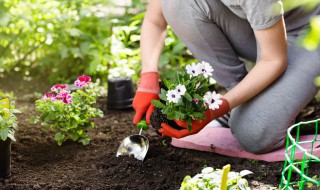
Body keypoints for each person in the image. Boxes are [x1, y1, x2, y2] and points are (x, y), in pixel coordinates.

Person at [132, 0, 320, 154]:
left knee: (254, 135)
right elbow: (155, 20)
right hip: (266, 29)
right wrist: (148, 78)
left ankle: (258, 107)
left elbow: (273, 60)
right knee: (178, 4)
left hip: (311, 33)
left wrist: (214, 110)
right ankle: (243, 101)